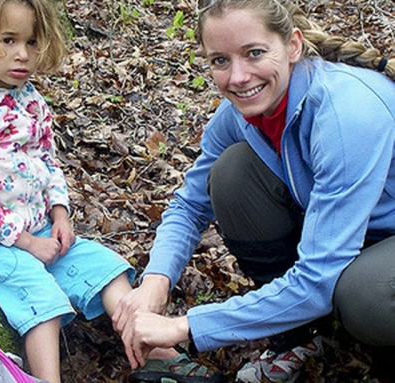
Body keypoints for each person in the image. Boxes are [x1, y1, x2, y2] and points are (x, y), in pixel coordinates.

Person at [0, 1, 225, 382]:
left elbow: (47, 163)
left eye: (32, 42)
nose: (23, 54)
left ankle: (158, 351)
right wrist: (26, 242)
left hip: (41, 227)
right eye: (8, 40)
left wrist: (60, 213)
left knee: (108, 270)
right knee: (41, 300)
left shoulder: (29, 99)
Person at [113, 0, 395, 382]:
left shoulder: (346, 114)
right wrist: (155, 281)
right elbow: (189, 204)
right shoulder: (240, 115)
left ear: (293, 45)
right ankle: (301, 335)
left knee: (366, 296)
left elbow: (316, 279)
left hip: (382, 244)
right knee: (232, 173)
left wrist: (185, 327)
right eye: (220, 61)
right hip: (347, 235)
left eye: (255, 53)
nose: (238, 77)